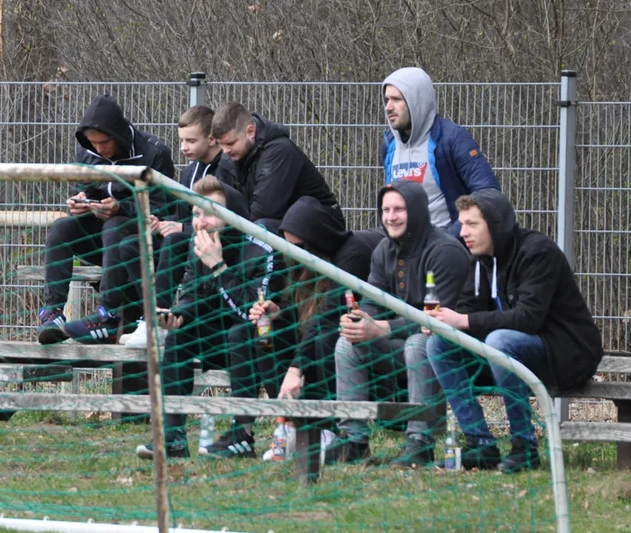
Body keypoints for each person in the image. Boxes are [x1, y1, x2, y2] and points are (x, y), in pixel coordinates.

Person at [425, 189, 603, 473]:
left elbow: (528, 319)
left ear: (495, 223)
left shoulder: (537, 252)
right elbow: (467, 309)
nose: (463, 233)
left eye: (472, 224)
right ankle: (481, 444)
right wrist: (443, 323)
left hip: (566, 355)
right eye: (462, 225)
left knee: (499, 340)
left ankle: (525, 447)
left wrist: (463, 321)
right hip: (508, 355)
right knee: (439, 345)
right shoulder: (480, 259)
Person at [133, 176, 280, 459]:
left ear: (232, 215)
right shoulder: (197, 244)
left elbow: (254, 314)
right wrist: (178, 315)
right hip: (218, 338)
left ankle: (242, 436)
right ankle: (172, 436)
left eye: (210, 213)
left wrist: (219, 267)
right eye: (197, 214)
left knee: (240, 332)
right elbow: (192, 294)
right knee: (179, 336)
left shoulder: (263, 249)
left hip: (262, 343)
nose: (200, 223)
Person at [330, 180, 470, 466]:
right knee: (348, 343)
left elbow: (440, 320)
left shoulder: (446, 251)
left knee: (421, 343)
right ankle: (353, 439)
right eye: (386, 210)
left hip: (453, 349)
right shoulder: (383, 250)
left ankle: (420, 442)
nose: (391, 217)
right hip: (399, 344)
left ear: (417, 211)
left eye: (399, 209)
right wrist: (361, 319)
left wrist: (382, 328)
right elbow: (372, 299)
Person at [37, 95, 175, 345]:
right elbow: (88, 189)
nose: (99, 149)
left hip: (138, 240)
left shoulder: (155, 152)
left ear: (119, 134)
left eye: (104, 142)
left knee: (114, 225)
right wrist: (82, 203)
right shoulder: (88, 151)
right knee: (62, 227)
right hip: (102, 236)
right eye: (93, 143)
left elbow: (162, 207)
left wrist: (122, 206)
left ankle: (108, 316)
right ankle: (52, 312)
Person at [257, 197, 383, 459]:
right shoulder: (300, 263)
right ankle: (290, 424)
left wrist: (295, 369)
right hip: (326, 329)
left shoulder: (354, 254)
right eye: (289, 248)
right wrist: (280, 311)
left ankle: (329, 429)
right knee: (268, 331)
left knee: (327, 338)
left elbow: (326, 316)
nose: (295, 254)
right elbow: (304, 310)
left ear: (316, 241)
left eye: (300, 247)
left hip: (374, 336)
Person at [121, 105, 230, 348]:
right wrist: (161, 222)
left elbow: (225, 222)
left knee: (174, 241)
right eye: (181, 140)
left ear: (212, 139)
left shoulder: (227, 169)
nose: (183, 147)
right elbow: (182, 213)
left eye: (191, 140)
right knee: (130, 246)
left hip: (209, 242)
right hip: (186, 235)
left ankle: (159, 320)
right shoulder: (189, 172)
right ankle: (150, 316)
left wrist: (183, 229)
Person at [381, 67, 500, 233]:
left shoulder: (452, 139)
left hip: (445, 249)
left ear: (417, 101)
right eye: (386, 100)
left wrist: (453, 236)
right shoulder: (390, 144)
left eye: (396, 99)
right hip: (402, 250)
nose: (388, 107)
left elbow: (488, 192)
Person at [211, 102, 343, 231]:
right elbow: (219, 203)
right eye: (221, 144)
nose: (225, 150)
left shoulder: (279, 152)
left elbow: (263, 211)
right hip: (284, 224)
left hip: (323, 227)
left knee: (261, 227)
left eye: (230, 143)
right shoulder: (230, 156)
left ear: (251, 132)